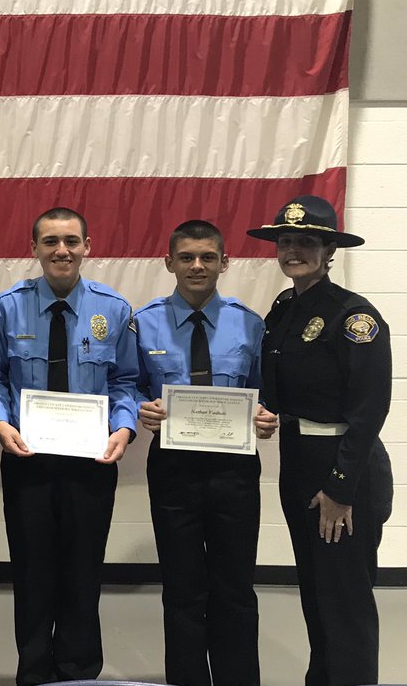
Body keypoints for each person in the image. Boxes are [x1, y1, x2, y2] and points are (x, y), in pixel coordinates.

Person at [0, 207, 139, 686]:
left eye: (71, 241)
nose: (61, 250)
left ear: (87, 246)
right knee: (31, 573)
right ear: (34, 248)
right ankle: (32, 673)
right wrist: (0, 423)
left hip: (92, 461)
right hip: (26, 458)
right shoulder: (7, 307)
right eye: (50, 241)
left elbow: (126, 382)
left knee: (83, 571)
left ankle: (77, 674)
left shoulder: (114, 309)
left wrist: (124, 428)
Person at [248, 195, 393, 686]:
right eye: (286, 241)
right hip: (299, 462)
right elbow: (279, 389)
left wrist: (339, 488)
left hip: (344, 468)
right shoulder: (284, 309)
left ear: (329, 250)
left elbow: (369, 411)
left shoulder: (353, 317)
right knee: (315, 591)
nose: (293, 250)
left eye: (307, 242)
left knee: (345, 600)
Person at [133, 220, 278, 686]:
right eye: (187, 257)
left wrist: (267, 416)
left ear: (224, 262)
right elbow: (128, 385)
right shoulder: (144, 323)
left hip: (234, 470)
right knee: (182, 586)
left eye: (208, 257)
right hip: (172, 468)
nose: (197, 266)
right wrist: (141, 408)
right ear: (169, 262)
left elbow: (266, 392)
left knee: (235, 585)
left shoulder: (250, 323)